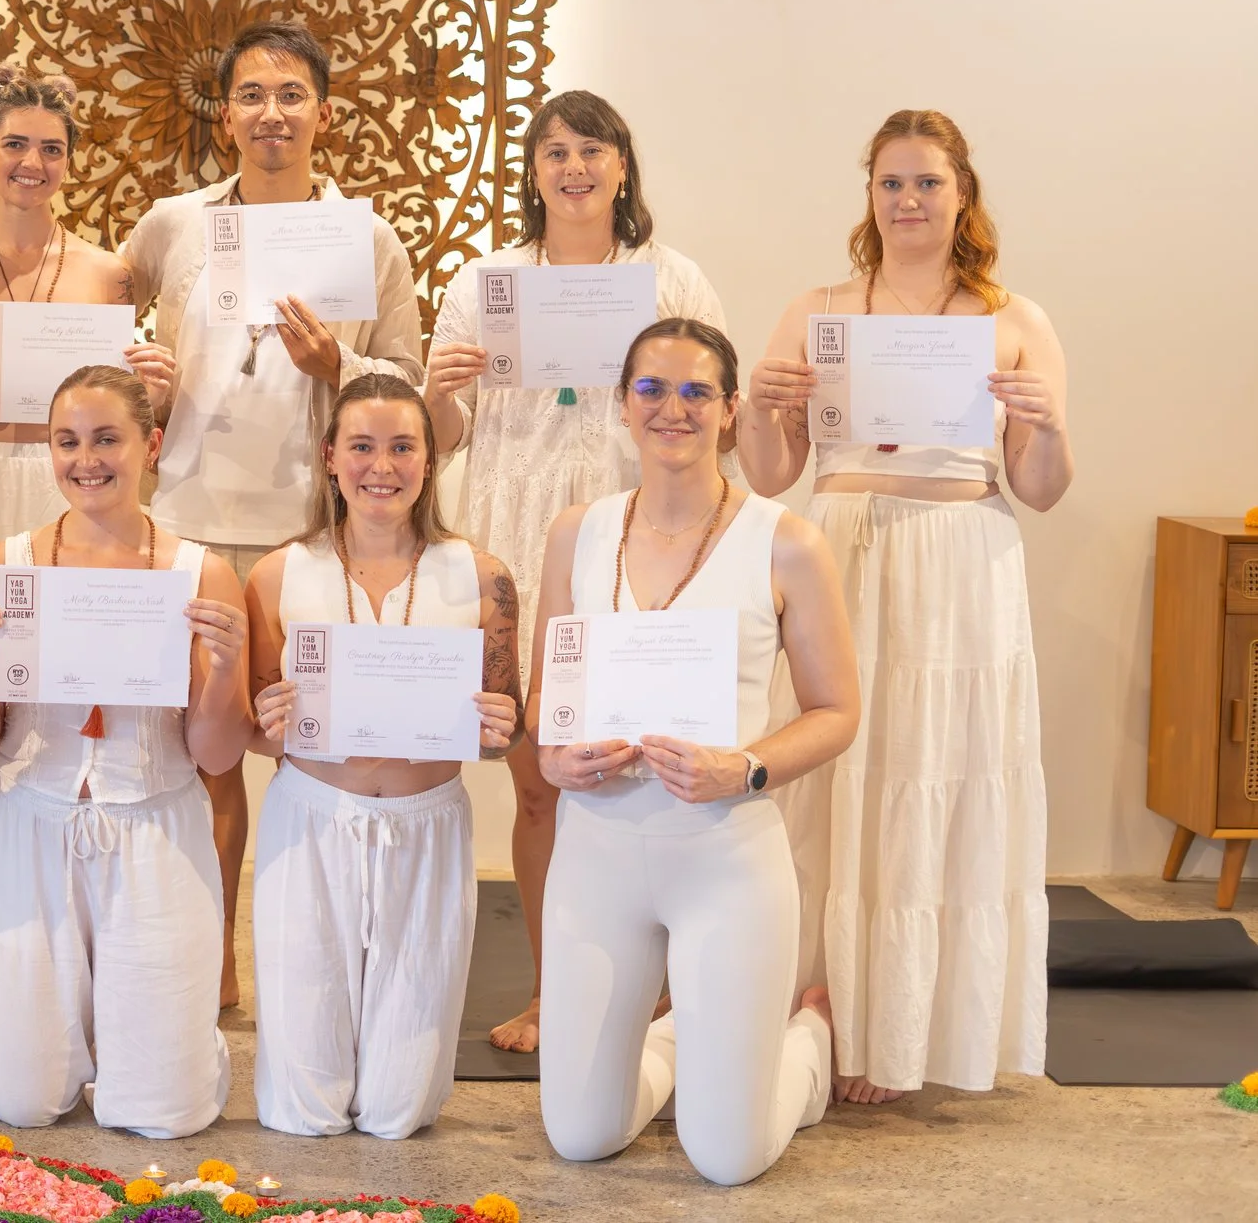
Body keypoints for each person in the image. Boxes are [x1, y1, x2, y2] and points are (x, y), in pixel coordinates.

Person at [737, 110, 1071, 1104]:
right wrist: (762, 405)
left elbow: (1041, 487)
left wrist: (1046, 425)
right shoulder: (820, 309)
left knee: (931, 766)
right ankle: (817, 993)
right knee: (831, 776)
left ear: (962, 193)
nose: (909, 199)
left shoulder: (1014, 318)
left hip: (961, 559)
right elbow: (770, 473)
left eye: (927, 181)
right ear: (870, 195)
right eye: (891, 182)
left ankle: (904, 1020)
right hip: (840, 547)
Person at [119, 18, 425, 1007]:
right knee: (199, 754)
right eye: (251, 94)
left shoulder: (367, 239)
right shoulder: (173, 224)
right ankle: (206, 955)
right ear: (225, 115)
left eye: (291, 94)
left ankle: (318, 960)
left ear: (323, 113)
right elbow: (108, 329)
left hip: (309, 527)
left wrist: (339, 365)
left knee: (309, 745)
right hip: (188, 514)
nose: (271, 113)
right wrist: (140, 377)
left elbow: (409, 385)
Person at [425, 90, 731, 1052]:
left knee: (657, 776)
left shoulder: (670, 278)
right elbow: (444, 437)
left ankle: (664, 1000)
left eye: (592, 149)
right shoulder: (488, 282)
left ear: (622, 165)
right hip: (517, 536)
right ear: (533, 172)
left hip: (638, 536)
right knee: (542, 782)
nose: (574, 167)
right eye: (554, 151)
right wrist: (440, 392)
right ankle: (553, 989)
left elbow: (714, 418)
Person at [535, 320, 859, 1186]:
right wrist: (555, 758)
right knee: (581, 1135)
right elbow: (545, 705)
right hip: (595, 854)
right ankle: (695, 1042)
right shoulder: (577, 533)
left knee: (726, 1157)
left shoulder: (785, 540)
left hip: (725, 859)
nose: (671, 408)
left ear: (729, 409)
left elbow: (837, 712)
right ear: (622, 403)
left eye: (695, 391)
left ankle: (809, 1040)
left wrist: (742, 767)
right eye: (651, 388)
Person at [0, 65, 172, 975]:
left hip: (72, 495)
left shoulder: (109, 273)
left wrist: (158, 383)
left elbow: (129, 403)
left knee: (61, 706)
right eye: (14, 143)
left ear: (69, 163)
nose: (32, 162)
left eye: (51, 149)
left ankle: (64, 927)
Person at [0, 365, 255, 1138]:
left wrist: (222, 675)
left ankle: (179, 1040)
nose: (86, 459)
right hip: (29, 823)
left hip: (154, 826)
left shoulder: (201, 572)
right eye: (67, 440)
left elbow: (217, 756)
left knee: (164, 1112)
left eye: (107, 438)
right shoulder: (2, 564)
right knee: (20, 1101)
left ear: (151, 444)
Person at [244, 374, 522, 1137]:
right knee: (303, 1106)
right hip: (310, 821)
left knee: (401, 1111)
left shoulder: (482, 576)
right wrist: (266, 720)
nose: (382, 466)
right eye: (362, 446)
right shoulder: (278, 573)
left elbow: (506, 729)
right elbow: (252, 730)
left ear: (430, 459)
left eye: (402, 446)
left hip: (426, 823)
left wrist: (502, 725)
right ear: (329, 456)